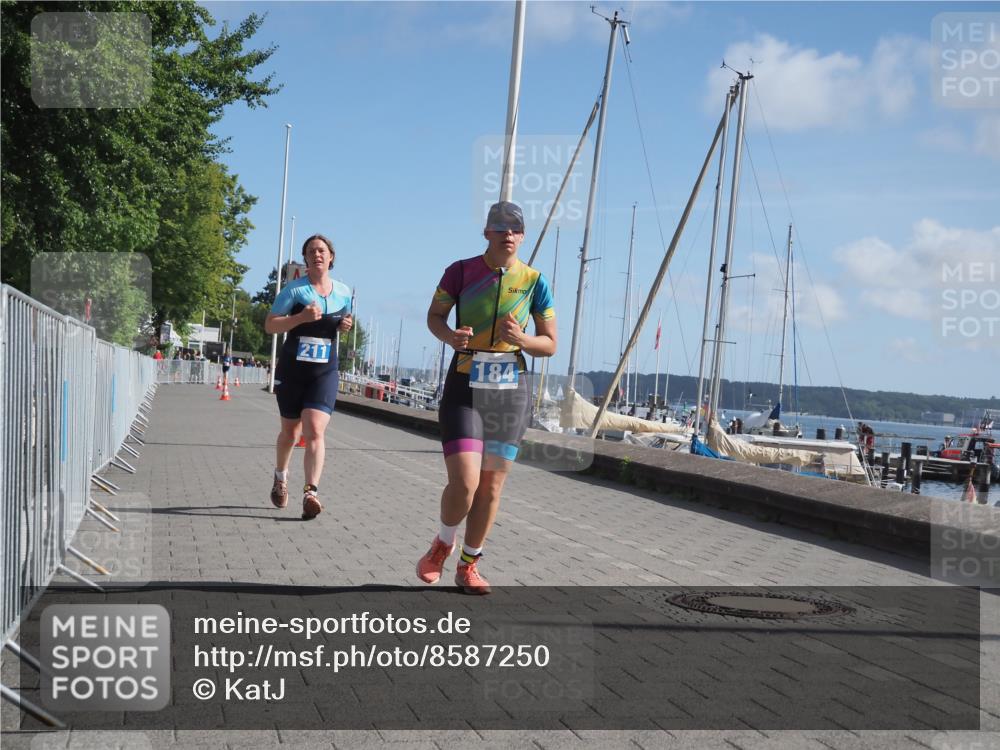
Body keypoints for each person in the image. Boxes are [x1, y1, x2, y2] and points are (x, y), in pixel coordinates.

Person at [416, 201, 556, 594]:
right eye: (500, 228)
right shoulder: (460, 271)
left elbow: (549, 344)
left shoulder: (534, 281)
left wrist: (523, 340)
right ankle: (443, 543)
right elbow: (434, 316)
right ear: (487, 233)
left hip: (511, 391)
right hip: (465, 385)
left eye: (515, 229)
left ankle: (469, 565)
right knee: (465, 482)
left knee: (491, 487)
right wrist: (450, 337)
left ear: (523, 236)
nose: (508, 235)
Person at [264, 234, 353, 520]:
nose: (317, 254)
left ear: (331, 257)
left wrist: (345, 326)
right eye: (312, 251)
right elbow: (270, 325)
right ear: (305, 258)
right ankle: (280, 477)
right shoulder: (294, 290)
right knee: (291, 432)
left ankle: (310, 492)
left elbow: (344, 321)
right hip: (293, 371)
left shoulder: (342, 291)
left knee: (315, 429)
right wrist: (299, 319)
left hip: (324, 371)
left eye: (322, 250)